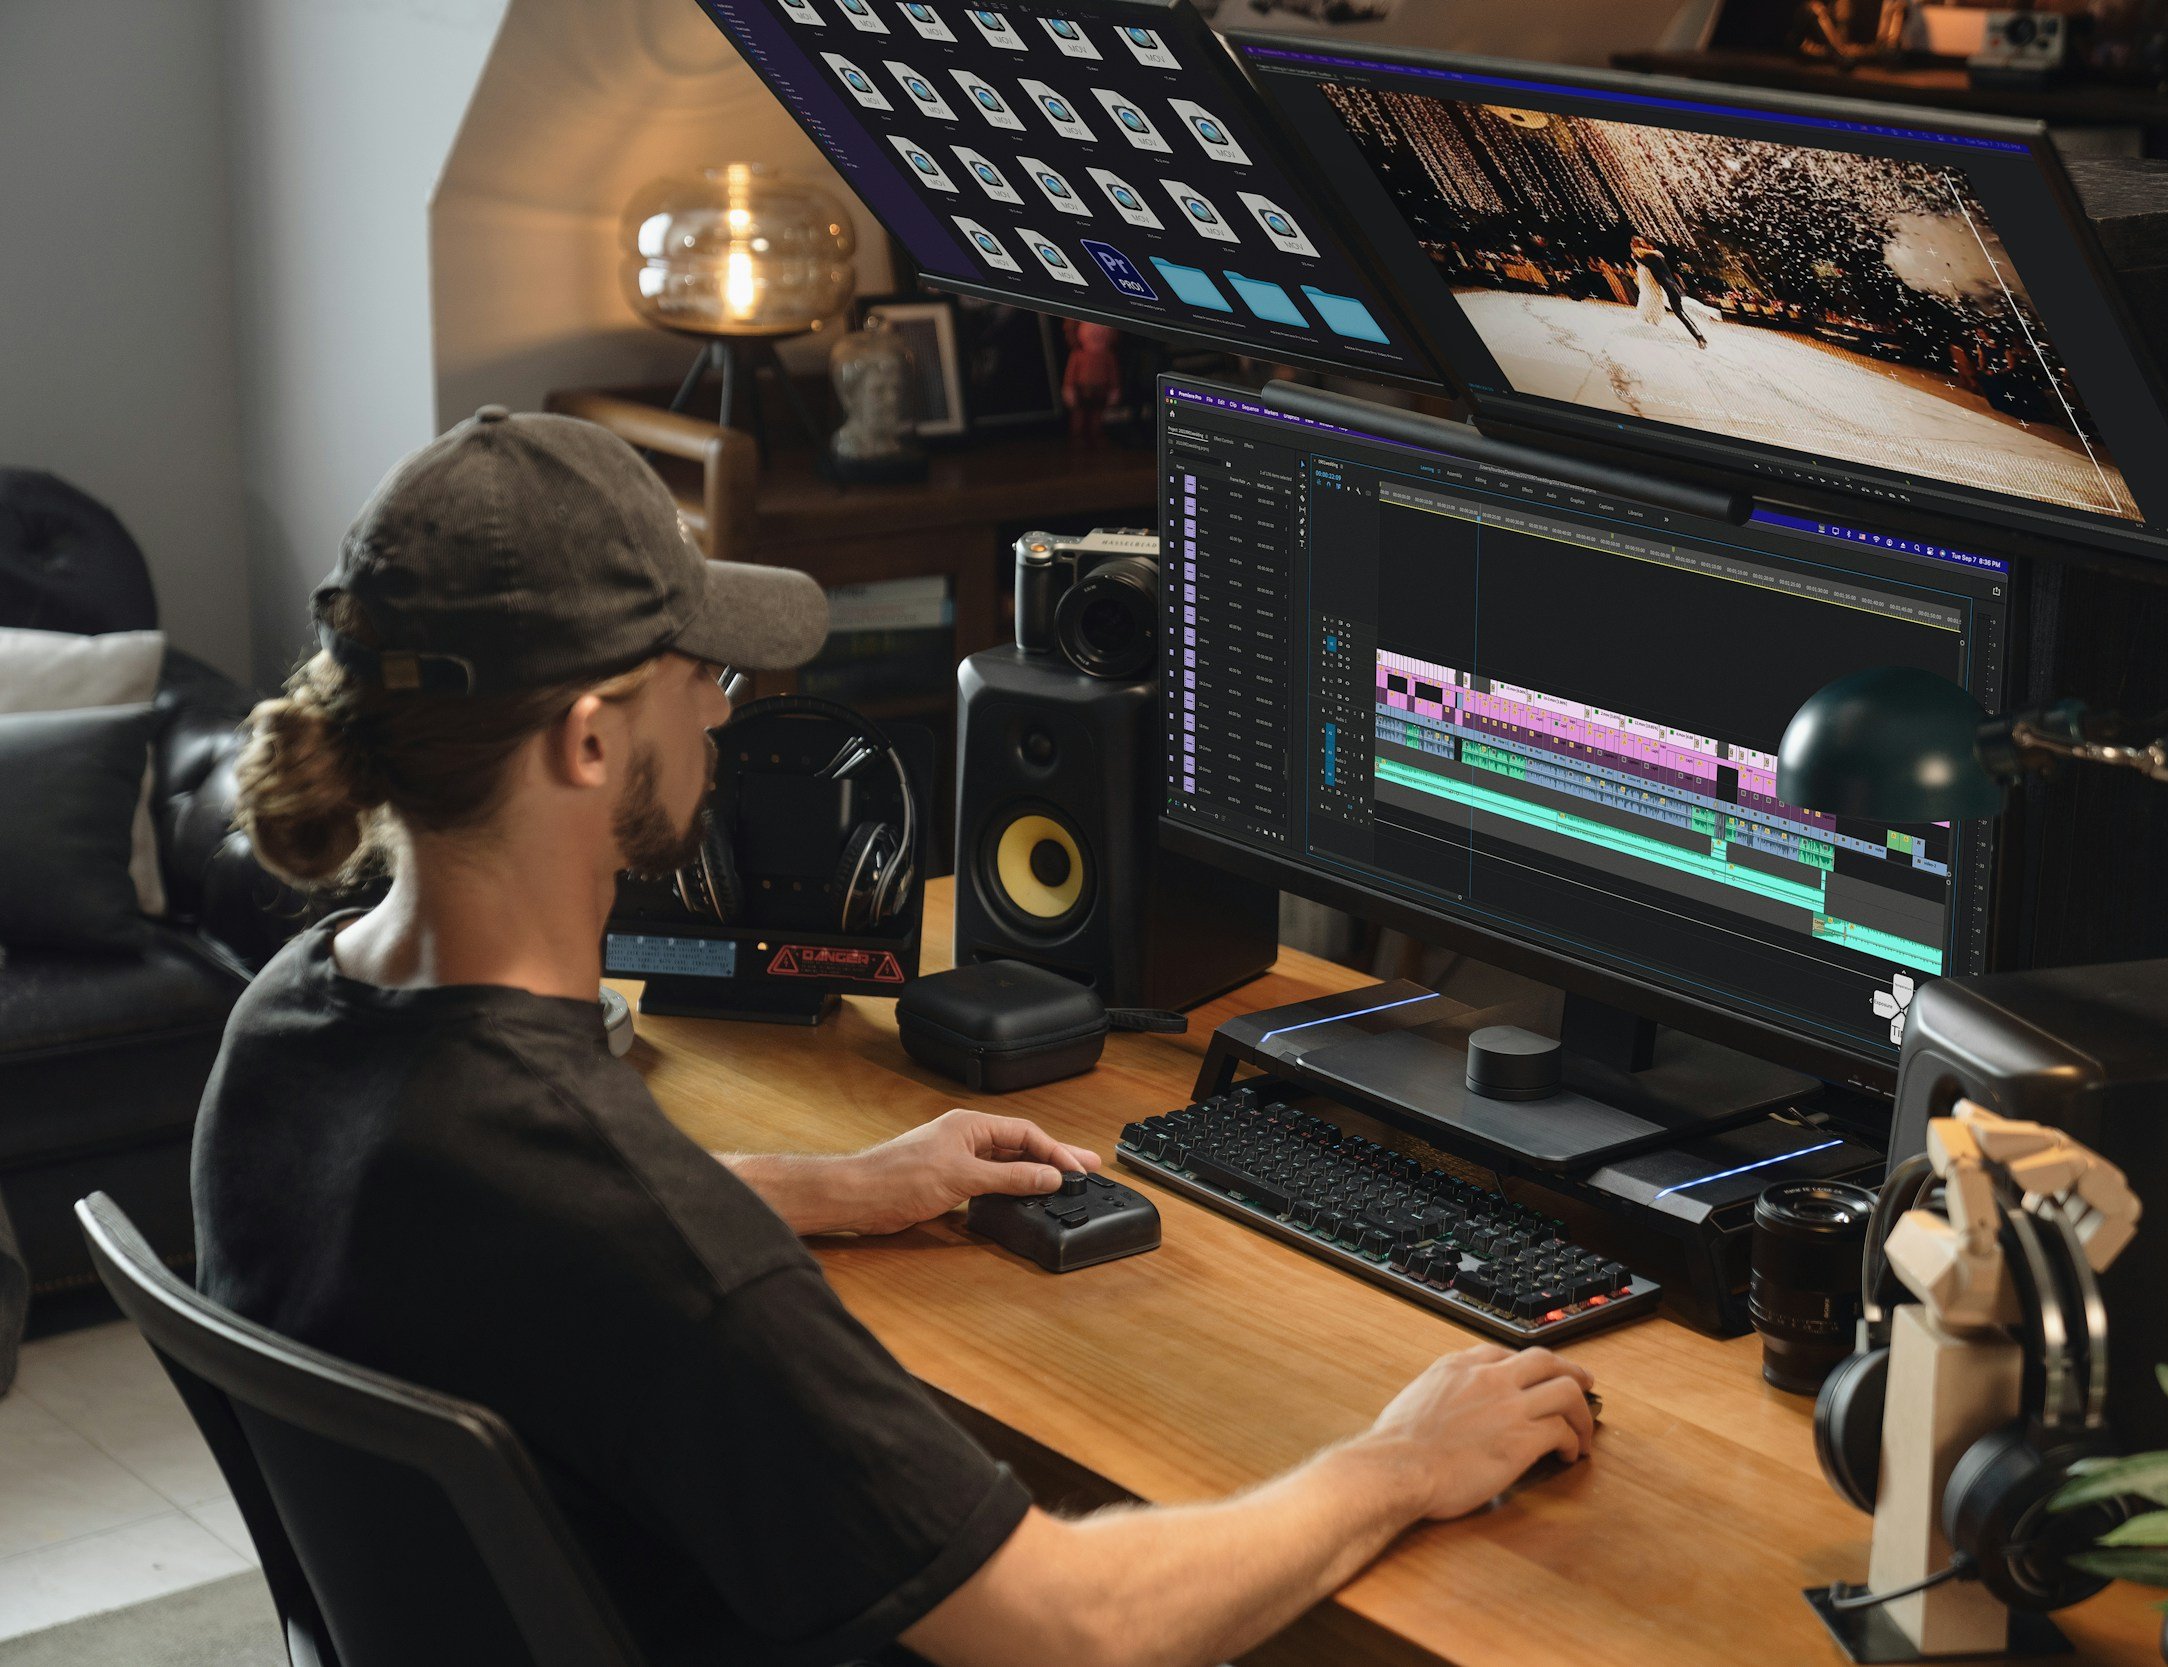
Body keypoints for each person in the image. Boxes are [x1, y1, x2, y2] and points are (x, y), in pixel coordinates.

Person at [196, 407, 1599, 1667]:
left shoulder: (287, 1028)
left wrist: (827, 1183)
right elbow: (1074, 1626)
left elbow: (512, 1231)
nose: (719, 712)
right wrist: (1396, 1459)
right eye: (701, 674)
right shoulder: (643, 1234)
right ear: (583, 742)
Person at [1627, 231, 1708, 350]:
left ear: (1650, 246)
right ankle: (1699, 337)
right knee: (1681, 313)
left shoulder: (1653, 256)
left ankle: (1700, 337)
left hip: (1671, 289)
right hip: (1671, 288)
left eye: (1644, 244)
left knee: (1681, 314)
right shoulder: (1655, 255)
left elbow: (1642, 260)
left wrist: (1635, 254)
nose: (1642, 245)